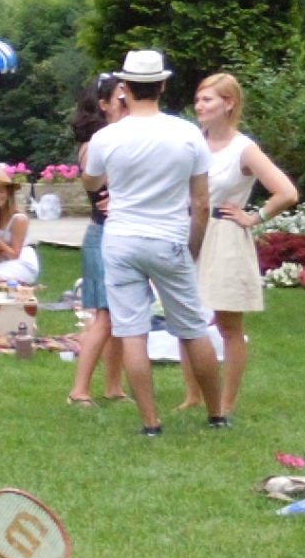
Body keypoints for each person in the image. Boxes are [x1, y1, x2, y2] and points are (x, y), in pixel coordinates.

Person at [81, 50, 222, 433]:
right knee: (192, 326)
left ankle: (150, 422)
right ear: (162, 85)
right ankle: (216, 414)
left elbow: (91, 182)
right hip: (169, 238)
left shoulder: (106, 137)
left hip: (121, 239)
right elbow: (202, 203)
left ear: (124, 89)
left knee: (131, 331)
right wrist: (193, 246)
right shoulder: (188, 133)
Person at [175, 70, 299, 419]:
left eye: (207, 99)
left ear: (228, 104)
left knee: (228, 324)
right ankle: (192, 396)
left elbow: (287, 192)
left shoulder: (243, 147)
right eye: (198, 98)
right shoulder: (192, 142)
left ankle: (226, 402)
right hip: (190, 229)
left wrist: (254, 217)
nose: (199, 105)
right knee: (187, 316)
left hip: (225, 235)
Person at [67, 75, 127, 408]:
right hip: (103, 234)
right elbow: (101, 194)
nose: (126, 103)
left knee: (119, 315)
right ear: (102, 105)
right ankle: (79, 390)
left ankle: (114, 386)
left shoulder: (122, 139)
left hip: (119, 232)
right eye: (120, 98)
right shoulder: (96, 145)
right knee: (104, 316)